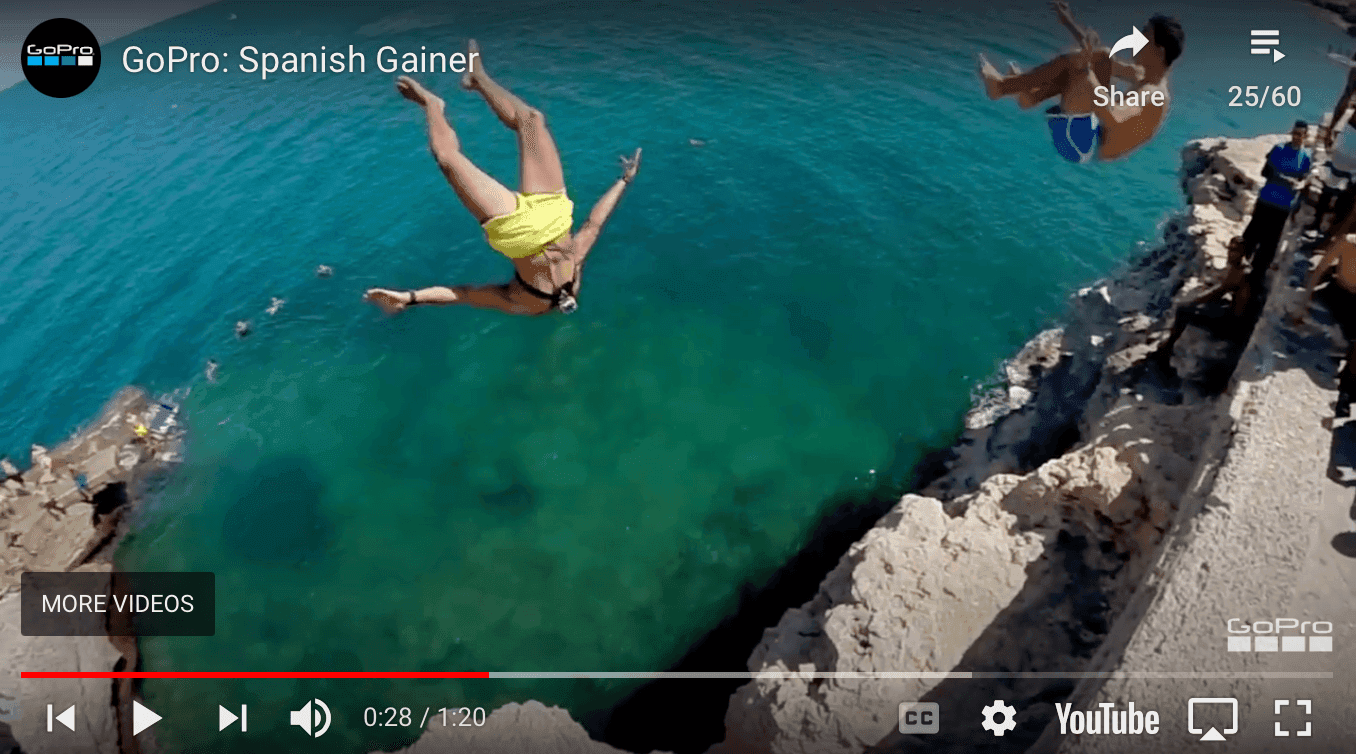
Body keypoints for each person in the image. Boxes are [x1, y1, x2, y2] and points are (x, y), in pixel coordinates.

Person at [365, 41, 641, 317]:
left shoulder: (528, 303)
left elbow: (464, 294)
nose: (568, 302)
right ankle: (478, 78)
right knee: (532, 119)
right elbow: (593, 225)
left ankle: (432, 104)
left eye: (566, 307)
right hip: (553, 210)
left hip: (516, 229)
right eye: (572, 302)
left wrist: (410, 297)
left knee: (448, 159)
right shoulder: (575, 267)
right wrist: (624, 181)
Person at [979, 7, 1185, 163]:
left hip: (1083, 145)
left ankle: (1002, 88)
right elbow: (1100, 58)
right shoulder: (1146, 75)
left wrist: (1086, 72)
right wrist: (1069, 23)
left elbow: (1114, 117)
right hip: (1090, 130)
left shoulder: (1153, 95)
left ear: (1159, 52)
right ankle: (1029, 97)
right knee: (1103, 57)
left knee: (1076, 66)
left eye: (1144, 37)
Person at [1235, 120, 1311, 313]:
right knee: (1251, 237)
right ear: (1291, 132)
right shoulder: (1278, 149)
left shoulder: (1306, 158)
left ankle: (1252, 285)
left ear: (1306, 136)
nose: (1297, 137)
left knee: (1268, 247)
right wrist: (1287, 180)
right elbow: (1266, 172)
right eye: (1295, 133)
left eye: (1301, 134)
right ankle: (1234, 274)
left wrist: (1292, 183)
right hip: (1266, 201)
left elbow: (1303, 182)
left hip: (1283, 208)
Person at [1293, 233, 1356, 416]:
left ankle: (1345, 394)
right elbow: (1320, 269)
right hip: (1336, 294)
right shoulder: (1347, 242)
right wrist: (1304, 301)